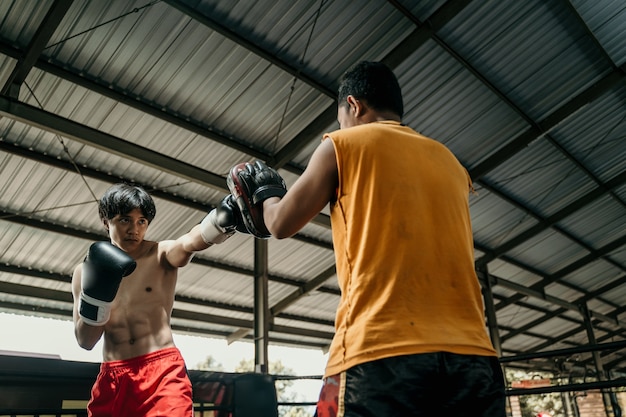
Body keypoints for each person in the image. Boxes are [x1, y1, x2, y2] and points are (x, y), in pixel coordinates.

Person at [228, 61, 506, 416]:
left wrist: (266, 193)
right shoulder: (452, 163)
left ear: (354, 105)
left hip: (381, 353)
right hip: (474, 360)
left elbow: (279, 223)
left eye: (342, 117)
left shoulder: (343, 144)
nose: (341, 126)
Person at [71, 183, 245, 417]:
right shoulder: (84, 272)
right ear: (106, 221)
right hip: (113, 377)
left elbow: (189, 242)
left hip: (161, 374)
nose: (134, 229)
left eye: (142, 221)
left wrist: (220, 221)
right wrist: (97, 296)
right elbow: (85, 340)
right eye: (125, 220)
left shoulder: (161, 254)